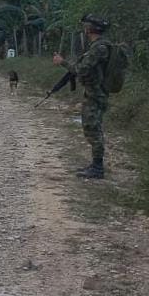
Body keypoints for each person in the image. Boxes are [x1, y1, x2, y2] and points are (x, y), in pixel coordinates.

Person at [52, 14, 112, 179]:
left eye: (86, 26)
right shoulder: (97, 46)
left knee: (93, 129)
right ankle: (95, 164)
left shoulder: (99, 48)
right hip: (94, 92)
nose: (84, 29)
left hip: (96, 94)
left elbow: (81, 70)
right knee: (91, 128)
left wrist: (62, 62)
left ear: (91, 29)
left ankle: (98, 168)